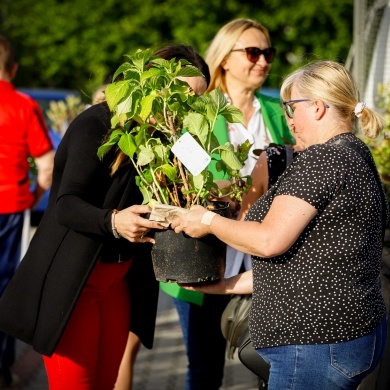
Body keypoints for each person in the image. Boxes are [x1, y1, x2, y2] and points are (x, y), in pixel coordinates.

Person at [0, 44, 210, 390]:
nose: (186, 106)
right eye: (183, 93)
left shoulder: (169, 133)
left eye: (197, 99)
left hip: (119, 282)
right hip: (76, 283)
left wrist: (220, 194)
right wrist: (113, 221)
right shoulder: (94, 124)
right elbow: (65, 204)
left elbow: (205, 175)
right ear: (151, 82)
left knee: (106, 382)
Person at [171, 60, 389, 390]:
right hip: (340, 336)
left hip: (314, 342)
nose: (287, 119)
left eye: (290, 107)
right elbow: (304, 263)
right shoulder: (354, 153)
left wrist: (207, 220)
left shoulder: (323, 159)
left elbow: (268, 240)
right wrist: (220, 286)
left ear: (317, 107)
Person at [160, 18, 294, 390]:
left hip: (262, 257)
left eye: (268, 53)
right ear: (225, 59)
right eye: (253, 52)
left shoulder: (276, 111)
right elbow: (186, 181)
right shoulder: (198, 109)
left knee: (267, 365)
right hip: (203, 253)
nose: (263, 61)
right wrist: (242, 188)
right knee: (204, 371)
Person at [0, 35, 55, 387]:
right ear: (14, 68)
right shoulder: (22, 105)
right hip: (10, 206)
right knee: (5, 286)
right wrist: (32, 197)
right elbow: (47, 165)